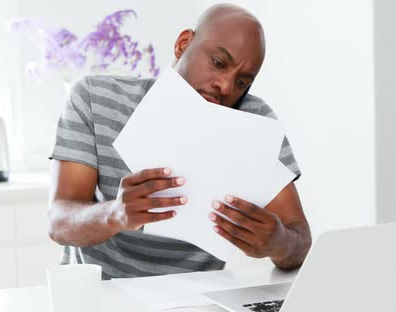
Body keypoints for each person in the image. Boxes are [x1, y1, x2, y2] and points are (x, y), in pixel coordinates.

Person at [48, 3, 312, 279]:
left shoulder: (257, 124)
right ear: (183, 44)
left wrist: (280, 243)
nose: (226, 86)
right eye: (219, 63)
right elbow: (58, 222)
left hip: (196, 297)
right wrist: (115, 214)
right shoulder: (95, 98)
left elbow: (300, 240)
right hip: (102, 294)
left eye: (242, 83)